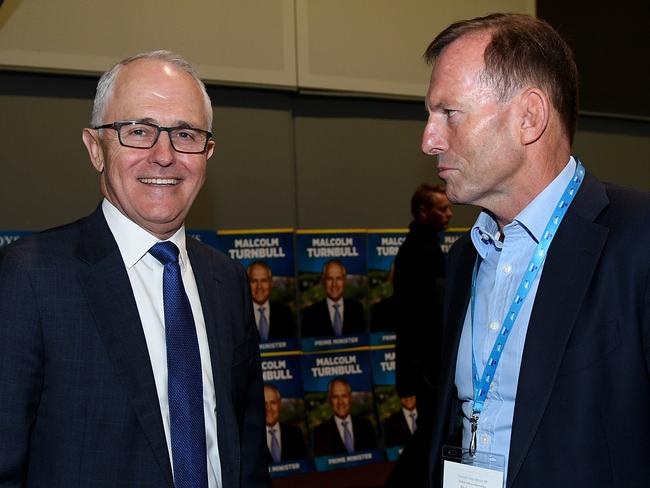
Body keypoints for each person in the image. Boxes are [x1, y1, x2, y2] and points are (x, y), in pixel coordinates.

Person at [0, 50, 270, 488]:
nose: (164, 155)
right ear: (95, 149)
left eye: (185, 134)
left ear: (208, 153)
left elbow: (250, 450)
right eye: (139, 131)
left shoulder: (227, 281)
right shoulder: (29, 278)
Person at [419, 13, 649, 488]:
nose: (429, 140)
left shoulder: (638, 241)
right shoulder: (465, 259)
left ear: (529, 117)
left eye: (449, 114)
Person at [393, 184, 452, 406]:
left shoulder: (423, 247)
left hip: (425, 360)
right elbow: (418, 314)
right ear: (424, 211)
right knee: (428, 432)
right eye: (443, 209)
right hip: (425, 363)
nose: (450, 214)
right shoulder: (420, 252)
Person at [312, 378, 377, 457]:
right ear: (329, 400)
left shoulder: (366, 425)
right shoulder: (319, 433)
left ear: (350, 398)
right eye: (335, 397)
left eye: (344, 396)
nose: (340, 402)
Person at [301, 259, 366, 337]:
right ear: (323, 281)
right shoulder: (310, 314)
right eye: (329, 279)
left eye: (338, 278)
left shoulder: (357, 309)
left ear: (344, 281)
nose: (334, 284)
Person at [247, 261, 296, 340]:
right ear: (247, 284)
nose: (259, 286)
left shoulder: (285, 312)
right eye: (254, 281)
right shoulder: (241, 315)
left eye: (264, 280)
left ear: (271, 283)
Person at [263, 384, 307, 463]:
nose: (268, 408)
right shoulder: (252, 438)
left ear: (279, 404)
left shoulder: (295, 433)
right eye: (264, 403)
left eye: (273, 403)